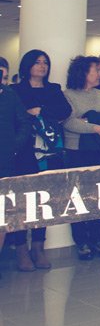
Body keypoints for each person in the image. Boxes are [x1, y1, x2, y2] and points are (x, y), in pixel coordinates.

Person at [12, 50, 72, 270]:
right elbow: (15, 116)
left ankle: (38, 247)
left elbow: (65, 110)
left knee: (43, 200)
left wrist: (40, 110)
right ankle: (20, 248)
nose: (42, 66)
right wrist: (38, 114)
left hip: (49, 152)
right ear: (27, 65)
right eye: (37, 62)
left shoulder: (53, 89)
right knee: (22, 200)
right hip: (24, 152)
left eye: (45, 63)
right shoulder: (15, 90)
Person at [63, 55, 100, 261]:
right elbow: (69, 123)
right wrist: (97, 127)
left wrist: (87, 118)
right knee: (77, 199)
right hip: (76, 152)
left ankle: (97, 239)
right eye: (96, 70)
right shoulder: (67, 95)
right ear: (84, 72)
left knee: (99, 198)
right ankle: (82, 242)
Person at [0, 57, 36, 272]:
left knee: (2, 215)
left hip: (5, 161)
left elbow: (24, 123)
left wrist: (14, 145)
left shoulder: (11, 96)